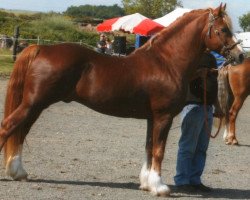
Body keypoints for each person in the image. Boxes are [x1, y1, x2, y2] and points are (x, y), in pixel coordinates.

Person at [174, 52, 218, 193]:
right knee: (188, 147)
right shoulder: (189, 56)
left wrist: (218, 106)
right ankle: (182, 181)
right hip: (193, 105)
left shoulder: (211, 57)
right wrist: (199, 73)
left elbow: (214, 83)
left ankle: (195, 180)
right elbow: (180, 79)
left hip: (208, 107)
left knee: (201, 148)